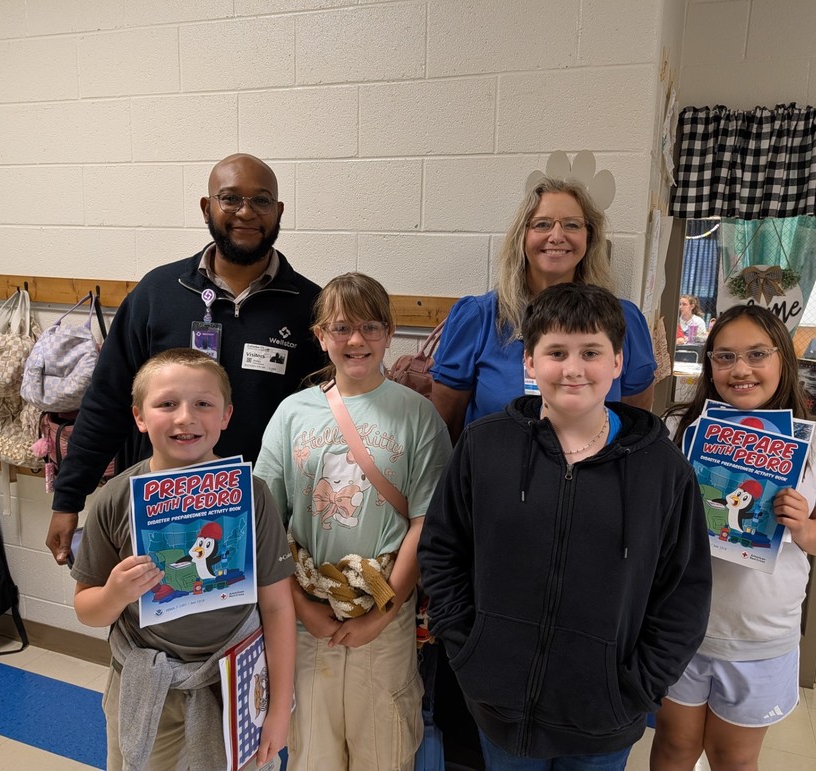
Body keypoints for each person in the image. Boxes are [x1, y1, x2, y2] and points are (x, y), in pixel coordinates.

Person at [419, 282, 712, 771]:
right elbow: (443, 548)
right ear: (529, 364)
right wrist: (471, 653)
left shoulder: (662, 470)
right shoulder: (484, 447)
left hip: (606, 715)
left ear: (617, 363)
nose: (573, 368)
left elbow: (684, 592)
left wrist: (636, 687)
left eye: (591, 352)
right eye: (556, 352)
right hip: (501, 709)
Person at [47, 153, 323, 564]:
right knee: (155, 614)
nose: (245, 212)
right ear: (206, 207)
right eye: (230, 198)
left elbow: (323, 426)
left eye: (261, 201)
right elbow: (107, 400)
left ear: (278, 211)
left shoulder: (310, 308)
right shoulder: (157, 294)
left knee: (251, 625)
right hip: (160, 513)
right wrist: (69, 498)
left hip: (261, 517)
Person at [255, 273, 452, 771]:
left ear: (388, 333)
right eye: (341, 328)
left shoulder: (418, 417)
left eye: (369, 326)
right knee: (310, 751)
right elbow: (266, 524)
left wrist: (382, 615)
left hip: (384, 615)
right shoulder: (291, 414)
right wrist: (299, 605)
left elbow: (425, 525)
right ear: (320, 336)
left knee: (383, 750)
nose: (356, 340)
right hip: (306, 616)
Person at [651, 304, 816, 771]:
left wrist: (803, 527)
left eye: (757, 354)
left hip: (759, 635)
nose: (740, 369)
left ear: (784, 359)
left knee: (734, 759)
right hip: (678, 627)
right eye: (724, 357)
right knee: (673, 747)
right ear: (709, 366)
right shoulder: (678, 429)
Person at [71, 348, 296, 771]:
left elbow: (279, 606)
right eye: (167, 404)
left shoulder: (253, 495)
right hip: (146, 684)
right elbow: (87, 610)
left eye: (203, 404)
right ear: (139, 416)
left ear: (226, 415)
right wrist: (116, 593)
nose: (185, 418)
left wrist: (280, 709)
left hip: (237, 680)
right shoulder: (115, 500)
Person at [430, 176, 656, 446]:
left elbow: (635, 429)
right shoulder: (478, 318)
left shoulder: (624, 321)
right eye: (542, 224)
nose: (557, 236)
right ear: (522, 236)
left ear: (589, 236)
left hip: (595, 482)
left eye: (572, 225)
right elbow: (446, 431)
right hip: (495, 481)